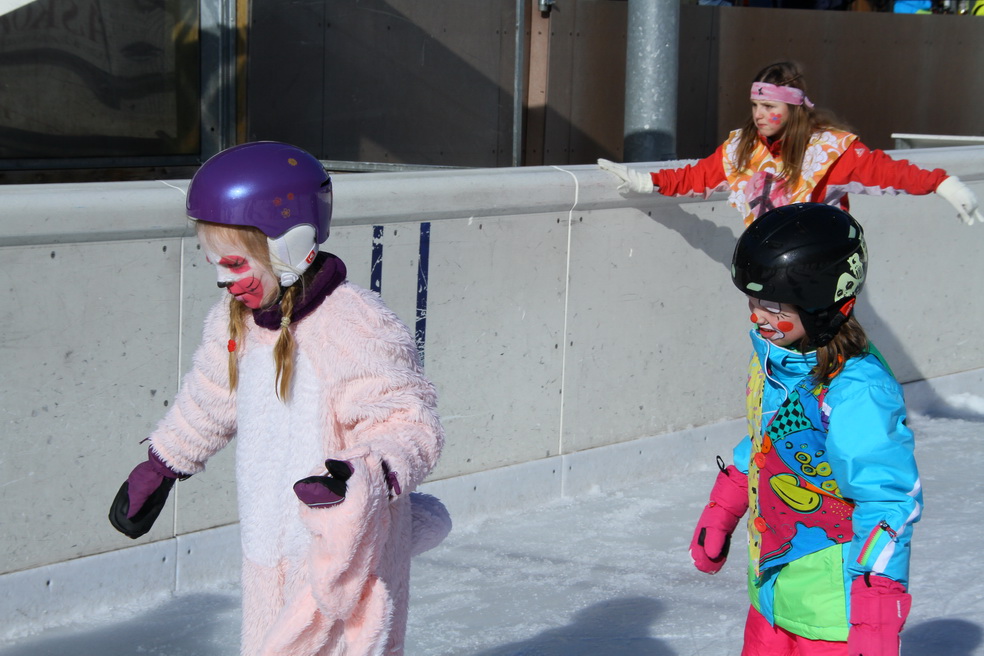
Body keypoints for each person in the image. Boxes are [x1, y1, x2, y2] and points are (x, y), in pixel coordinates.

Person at [108, 141, 450, 656]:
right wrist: (163, 464)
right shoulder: (234, 322)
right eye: (214, 263)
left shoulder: (352, 325)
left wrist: (362, 475)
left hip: (341, 552)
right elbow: (209, 397)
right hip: (266, 546)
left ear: (290, 245)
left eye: (235, 263)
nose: (224, 280)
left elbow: (405, 421)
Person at [690, 203, 921, 655]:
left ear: (820, 306)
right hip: (772, 592)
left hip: (833, 609)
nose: (756, 317)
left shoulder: (857, 391)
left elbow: (887, 500)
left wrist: (875, 609)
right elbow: (768, 438)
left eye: (772, 307)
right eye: (753, 303)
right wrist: (724, 505)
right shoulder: (775, 359)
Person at [598, 61, 983, 227]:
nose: (759, 115)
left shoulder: (828, 151)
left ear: (794, 108)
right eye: (755, 106)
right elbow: (698, 176)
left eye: (769, 107)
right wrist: (646, 181)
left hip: (821, 272)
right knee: (772, 352)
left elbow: (889, 172)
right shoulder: (742, 148)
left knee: (821, 355)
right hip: (768, 270)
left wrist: (942, 183)